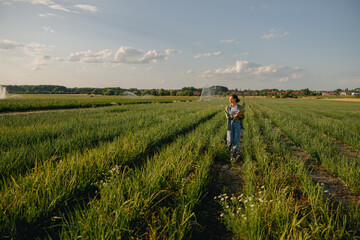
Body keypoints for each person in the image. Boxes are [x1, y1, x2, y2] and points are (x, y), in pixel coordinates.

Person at [225, 94, 245, 159]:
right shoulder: (227, 107)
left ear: (235, 99)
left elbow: (243, 117)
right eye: (229, 99)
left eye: (231, 99)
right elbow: (227, 116)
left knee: (236, 138)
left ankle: (234, 152)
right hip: (230, 123)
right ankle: (228, 151)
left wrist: (238, 115)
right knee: (230, 139)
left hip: (237, 123)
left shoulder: (240, 107)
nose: (230, 100)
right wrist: (234, 116)